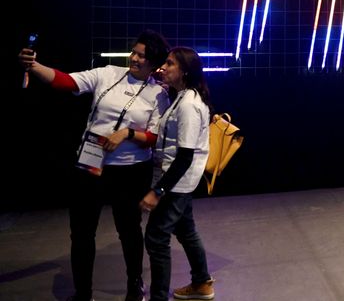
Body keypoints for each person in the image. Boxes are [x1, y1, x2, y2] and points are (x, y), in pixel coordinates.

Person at [18, 29, 171, 301]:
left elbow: (155, 137)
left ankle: (134, 284)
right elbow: (67, 82)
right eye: (133, 52)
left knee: (129, 231)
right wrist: (35, 66)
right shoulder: (108, 73)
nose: (134, 58)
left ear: (154, 63)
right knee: (81, 233)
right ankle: (83, 291)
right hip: (90, 166)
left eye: (142, 56)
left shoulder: (158, 94)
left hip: (131, 170)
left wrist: (128, 134)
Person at [140, 47, 215, 301]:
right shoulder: (182, 97)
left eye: (170, 64)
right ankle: (202, 283)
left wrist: (157, 191)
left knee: (156, 239)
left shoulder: (189, 105)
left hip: (176, 183)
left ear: (184, 71)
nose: (164, 67)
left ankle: (159, 297)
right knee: (186, 231)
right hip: (178, 180)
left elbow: (184, 156)